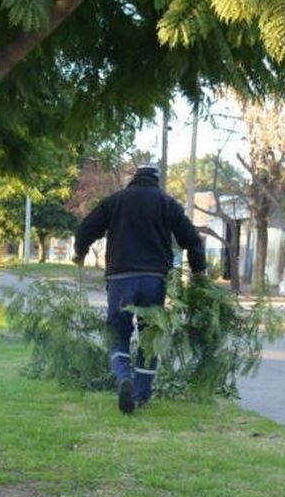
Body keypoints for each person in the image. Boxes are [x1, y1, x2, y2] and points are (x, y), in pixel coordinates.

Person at [72, 165, 206, 414]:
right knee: (150, 338)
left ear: (134, 179)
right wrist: (199, 273)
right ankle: (141, 395)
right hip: (155, 281)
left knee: (117, 335)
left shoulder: (116, 201)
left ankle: (124, 377)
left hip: (121, 278)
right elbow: (193, 240)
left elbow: (86, 228)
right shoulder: (167, 203)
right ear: (157, 181)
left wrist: (80, 252)